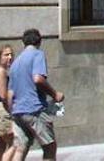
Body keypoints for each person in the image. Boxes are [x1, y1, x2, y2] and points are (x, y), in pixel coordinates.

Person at [9, 28, 65, 160]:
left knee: (21, 147)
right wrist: (54, 94)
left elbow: (10, 93)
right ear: (39, 41)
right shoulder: (37, 55)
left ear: (23, 42)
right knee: (49, 146)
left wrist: (12, 112)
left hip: (18, 111)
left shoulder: (16, 62)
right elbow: (38, 79)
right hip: (34, 109)